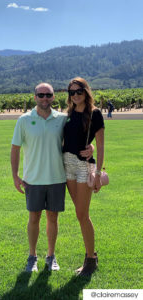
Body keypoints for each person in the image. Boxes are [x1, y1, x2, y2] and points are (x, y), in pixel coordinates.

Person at [11, 82, 94, 273]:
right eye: (40, 95)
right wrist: (15, 176)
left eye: (48, 95)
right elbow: (15, 149)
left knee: (52, 218)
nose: (44, 98)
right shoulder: (23, 120)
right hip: (32, 179)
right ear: (34, 97)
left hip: (57, 177)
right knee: (34, 218)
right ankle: (32, 257)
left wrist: (92, 147)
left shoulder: (63, 118)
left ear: (54, 97)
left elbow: (79, 138)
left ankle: (51, 256)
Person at [63, 77, 105, 276]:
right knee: (80, 214)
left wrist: (97, 173)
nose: (75, 95)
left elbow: (101, 144)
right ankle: (90, 256)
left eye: (79, 91)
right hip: (67, 165)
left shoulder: (95, 113)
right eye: (72, 92)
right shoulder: (69, 113)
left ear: (86, 91)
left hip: (83, 165)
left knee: (82, 214)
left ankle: (91, 259)